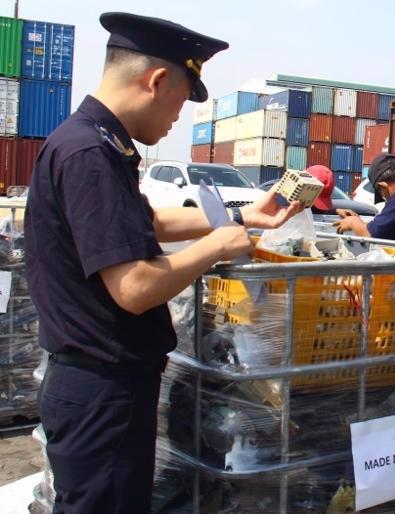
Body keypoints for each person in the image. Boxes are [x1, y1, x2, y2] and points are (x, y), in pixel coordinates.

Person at [23, 13, 301, 514]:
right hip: (100, 387)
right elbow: (134, 287)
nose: (181, 116)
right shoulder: (91, 152)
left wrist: (245, 214)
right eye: (183, 97)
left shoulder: (95, 142)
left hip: (100, 385)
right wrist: (216, 246)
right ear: (156, 80)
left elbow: (143, 225)